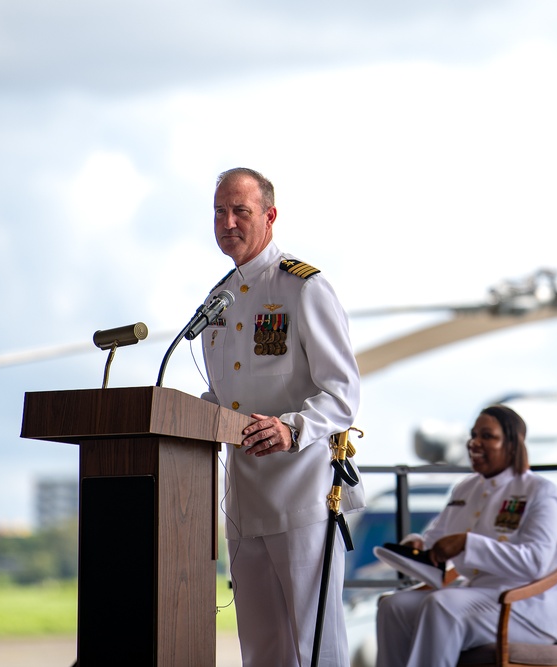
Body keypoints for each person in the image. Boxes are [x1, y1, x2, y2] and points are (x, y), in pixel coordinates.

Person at [200, 167, 363, 666]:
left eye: (241, 211)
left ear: (269, 216)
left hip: (302, 497)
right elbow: (224, 397)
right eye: (220, 212)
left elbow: (343, 392)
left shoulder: (302, 287)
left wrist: (293, 429)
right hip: (244, 501)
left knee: (316, 647)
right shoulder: (216, 301)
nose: (228, 221)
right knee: (263, 651)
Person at [375, 405, 557, 667]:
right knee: (394, 606)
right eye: (473, 435)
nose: (474, 443)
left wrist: (468, 544)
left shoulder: (540, 490)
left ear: (512, 444)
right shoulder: (465, 488)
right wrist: (420, 545)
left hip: (523, 606)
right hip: (475, 596)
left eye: (487, 436)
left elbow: (535, 562)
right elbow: (437, 537)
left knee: (442, 604)